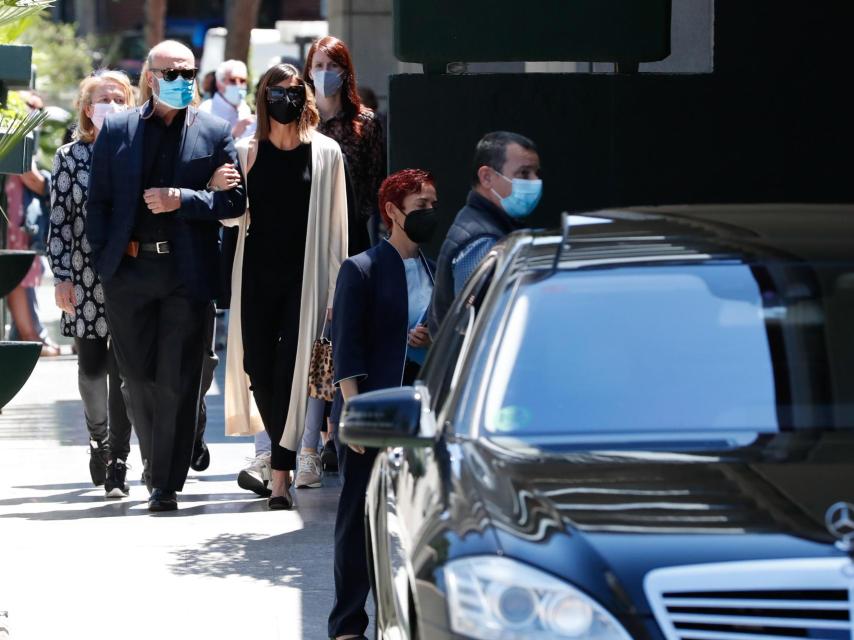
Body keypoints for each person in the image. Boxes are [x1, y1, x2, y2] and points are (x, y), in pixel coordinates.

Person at [86, 40, 247, 512]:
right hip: (129, 270)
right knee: (136, 378)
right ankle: (158, 462)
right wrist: (103, 260)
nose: (181, 81)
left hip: (186, 270)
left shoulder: (214, 132)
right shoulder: (117, 131)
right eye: (171, 73)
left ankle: (164, 481)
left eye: (188, 72)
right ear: (150, 77)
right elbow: (98, 204)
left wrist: (185, 197)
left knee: (177, 378)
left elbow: (234, 203)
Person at [222, 63, 348, 510]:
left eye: (295, 91)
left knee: (290, 371)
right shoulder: (245, 150)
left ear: (305, 96)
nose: (286, 99)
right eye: (277, 91)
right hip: (256, 274)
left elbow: (336, 229)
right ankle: (283, 456)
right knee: (257, 366)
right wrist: (223, 188)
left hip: (306, 278)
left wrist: (335, 290)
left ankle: (280, 478)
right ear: (263, 96)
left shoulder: (327, 153)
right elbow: (232, 219)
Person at [327, 169, 438, 640]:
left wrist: (428, 334)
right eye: (420, 207)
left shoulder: (433, 266)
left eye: (433, 205)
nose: (429, 215)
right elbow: (346, 348)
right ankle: (348, 622)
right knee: (357, 516)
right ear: (392, 212)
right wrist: (352, 416)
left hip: (421, 406)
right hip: (372, 411)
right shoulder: (362, 268)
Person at [295, 36, 385, 487]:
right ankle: (312, 439)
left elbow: (375, 185)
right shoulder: (298, 123)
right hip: (309, 240)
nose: (324, 71)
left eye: (333, 64)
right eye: (318, 63)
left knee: (345, 333)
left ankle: (338, 433)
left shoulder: (365, 124)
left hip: (356, 236)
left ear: (346, 71)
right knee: (316, 338)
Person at [48, 70, 138, 496]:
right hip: (83, 276)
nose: (112, 105)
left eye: (120, 98)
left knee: (124, 370)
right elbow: (60, 222)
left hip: (129, 275)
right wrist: (62, 277)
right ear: (87, 108)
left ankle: (119, 454)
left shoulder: (136, 150)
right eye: (104, 99)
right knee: (91, 366)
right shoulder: (69, 157)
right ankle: (97, 437)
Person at [429, 131, 542, 336]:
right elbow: (480, 330)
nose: (535, 182)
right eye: (524, 173)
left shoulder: (490, 226)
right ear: (487, 177)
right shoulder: (482, 244)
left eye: (536, 173)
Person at [199, 59, 256, 140]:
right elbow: (203, 145)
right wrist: (233, 134)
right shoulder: (206, 109)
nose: (238, 85)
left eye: (242, 80)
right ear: (219, 83)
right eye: (233, 80)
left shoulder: (245, 108)